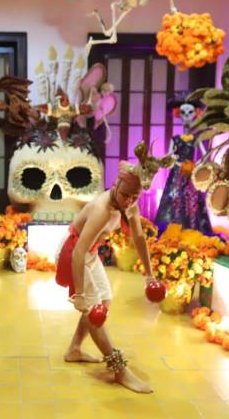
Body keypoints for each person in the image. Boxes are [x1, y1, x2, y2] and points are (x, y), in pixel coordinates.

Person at [55, 142, 174, 393]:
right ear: (116, 183)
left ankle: (74, 349)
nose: (129, 201)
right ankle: (119, 370)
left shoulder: (129, 204)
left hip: (89, 253)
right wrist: (79, 294)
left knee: (105, 300)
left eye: (135, 197)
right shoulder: (102, 210)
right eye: (125, 194)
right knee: (93, 311)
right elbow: (77, 252)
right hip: (73, 252)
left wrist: (150, 274)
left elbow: (139, 238)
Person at [154, 99, 212, 235]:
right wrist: (177, 163)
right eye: (183, 112)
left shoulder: (196, 139)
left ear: (195, 114)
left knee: (193, 201)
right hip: (177, 173)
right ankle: (174, 228)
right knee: (175, 199)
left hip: (191, 173)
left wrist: (195, 165)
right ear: (178, 114)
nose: (186, 116)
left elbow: (205, 155)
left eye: (190, 112)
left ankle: (192, 229)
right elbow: (169, 156)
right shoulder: (175, 139)